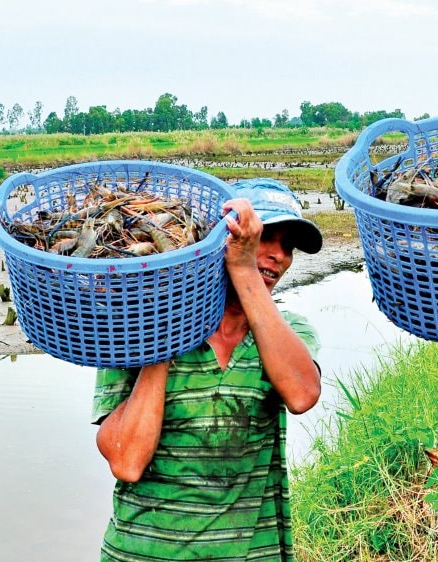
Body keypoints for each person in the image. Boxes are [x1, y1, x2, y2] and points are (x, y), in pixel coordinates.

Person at [92, 178, 324, 561]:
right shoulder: (137, 332)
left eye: (288, 247)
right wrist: (164, 334)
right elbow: (127, 461)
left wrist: (245, 267)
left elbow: (302, 395)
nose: (279, 256)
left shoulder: (289, 332)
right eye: (264, 238)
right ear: (223, 237)